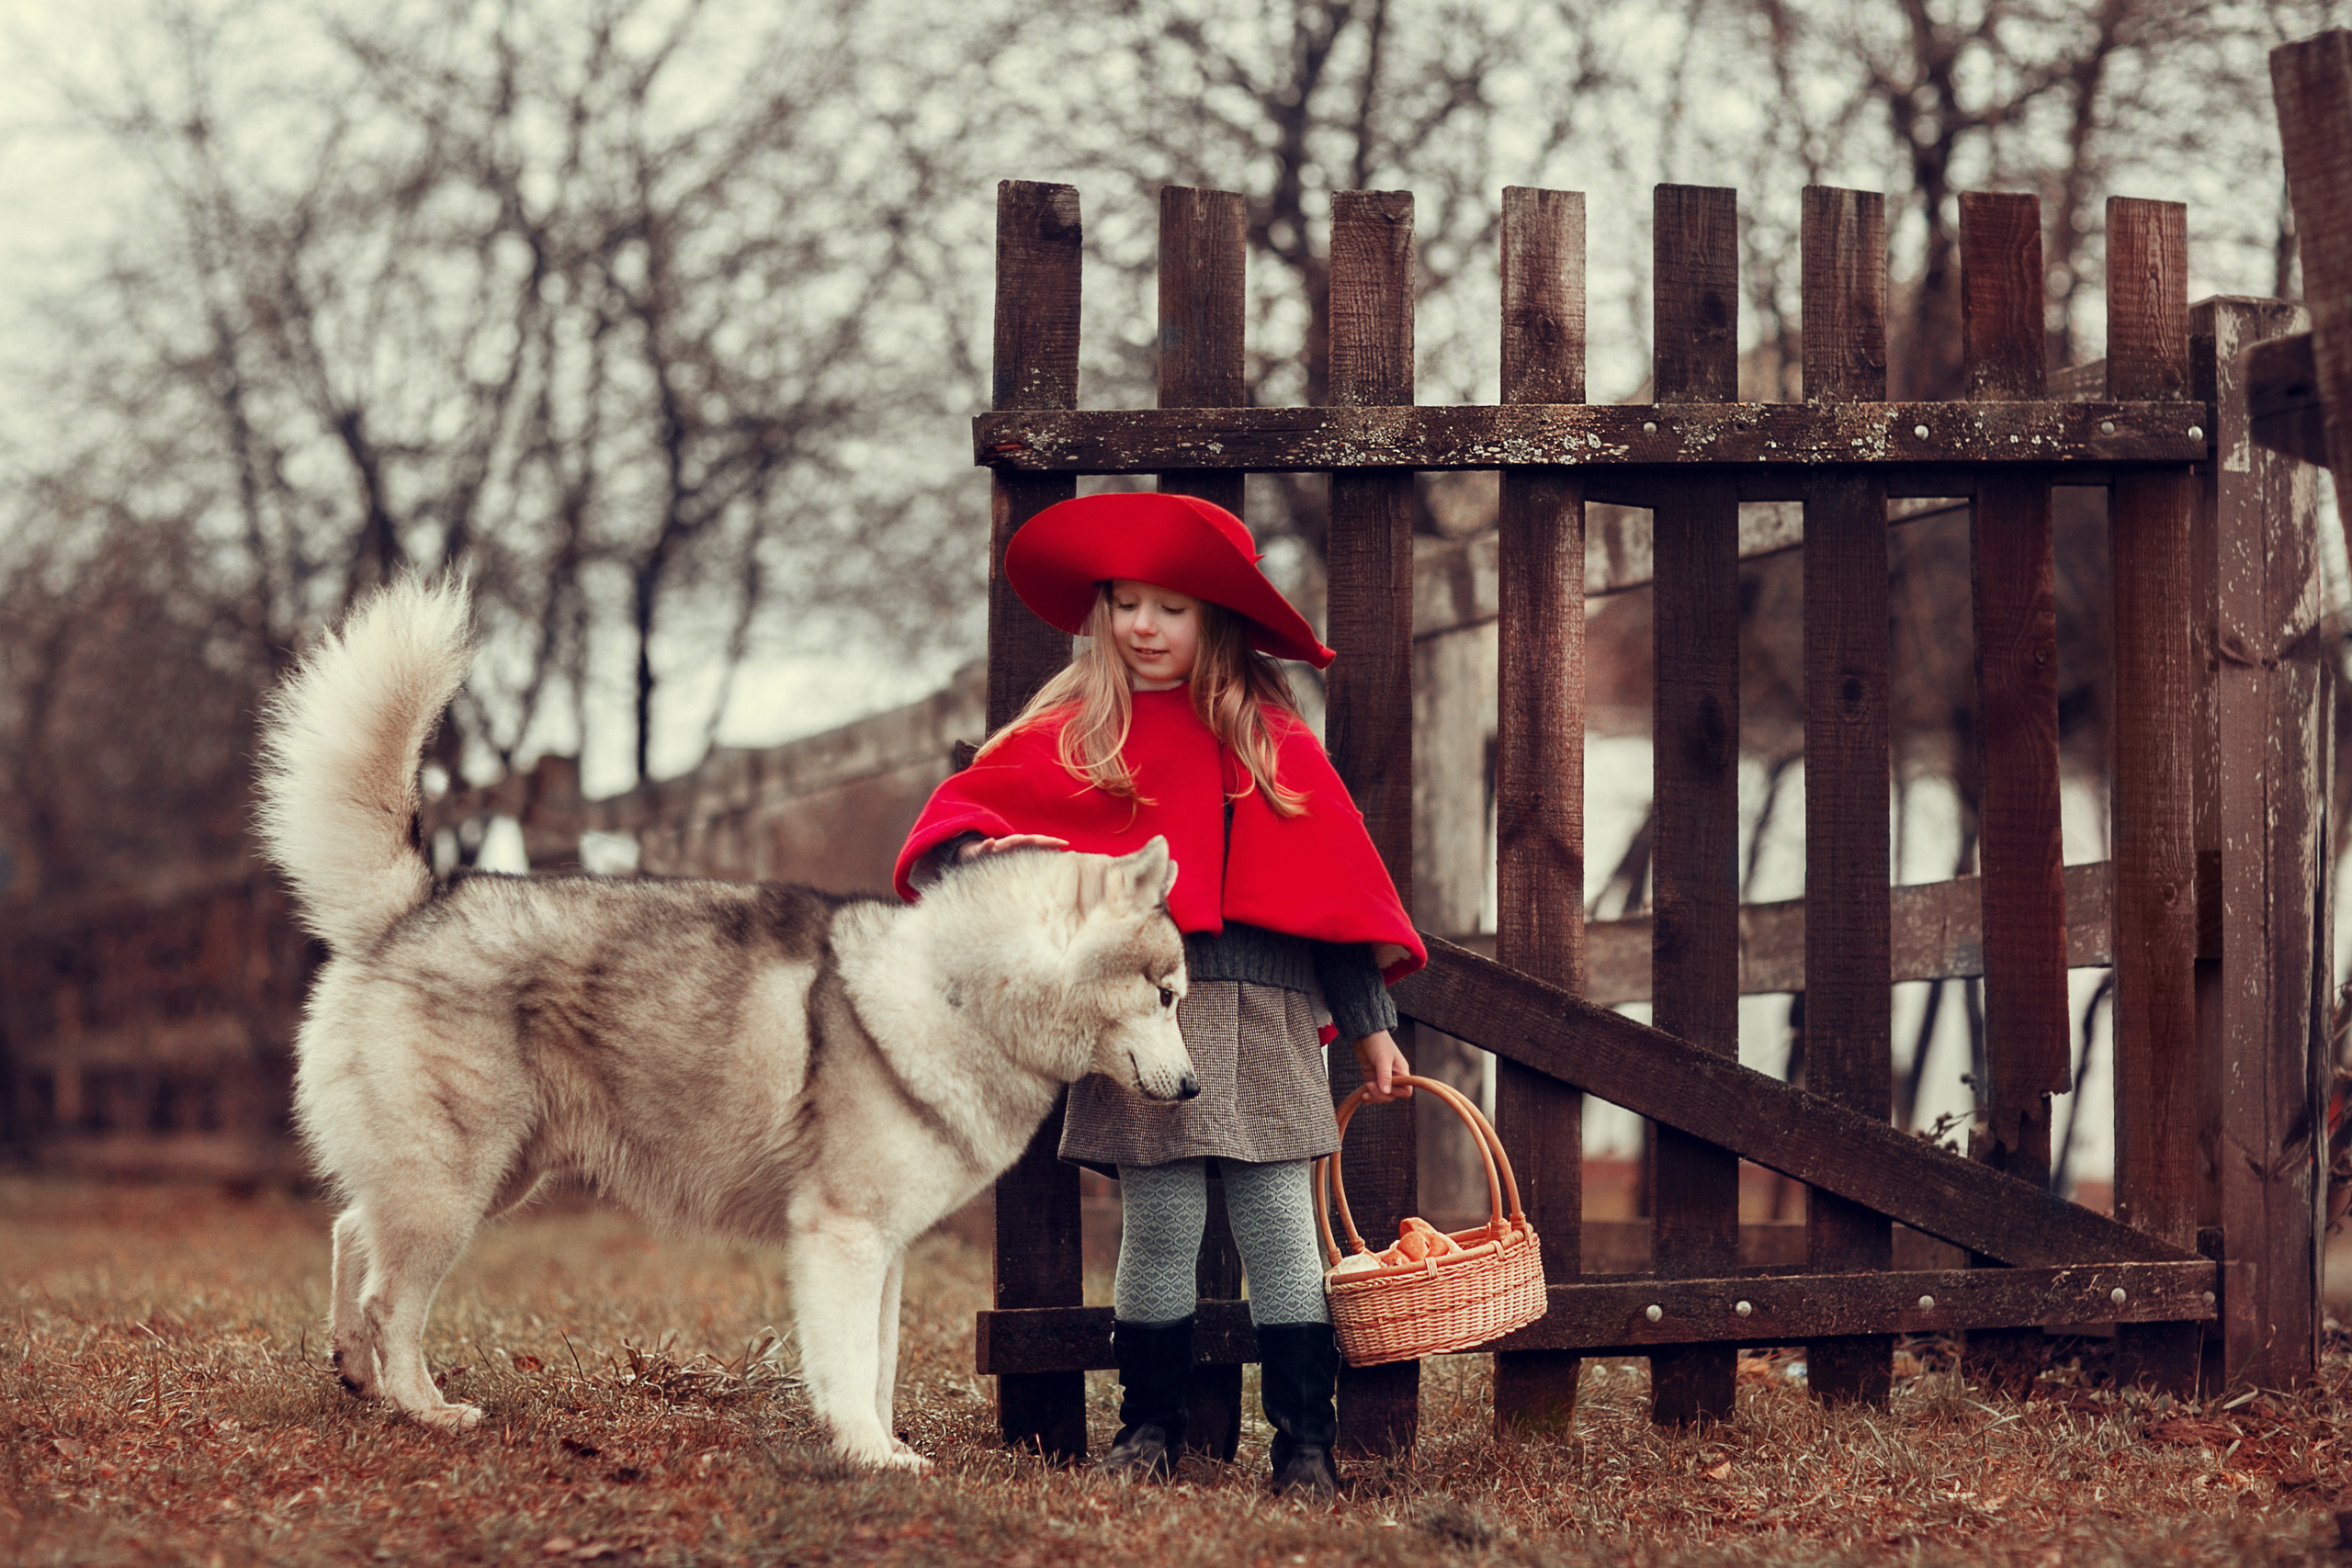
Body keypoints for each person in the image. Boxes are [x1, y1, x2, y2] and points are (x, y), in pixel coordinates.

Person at [894, 491, 1424, 1501]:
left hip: (1265, 1020)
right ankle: (1148, 1430)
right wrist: (981, 857)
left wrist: (1370, 1030)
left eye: (1170, 608)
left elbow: (1336, 899)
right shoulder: (1073, 731)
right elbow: (965, 821)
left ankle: (1304, 1446)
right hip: (1136, 1024)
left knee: (1279, 1230)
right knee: (1160, 1232)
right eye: (1125, 603)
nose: (1142, 626)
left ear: (1215, 619)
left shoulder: (1270, 739)